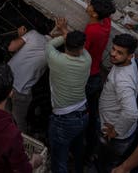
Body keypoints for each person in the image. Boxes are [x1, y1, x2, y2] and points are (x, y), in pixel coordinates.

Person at [66, 0, 116, 160]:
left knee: (79, 114)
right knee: (92, 114)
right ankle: (92, 148)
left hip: (87, 77)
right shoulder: (106, 22)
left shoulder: (92, 30)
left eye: (89, 6)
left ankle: (81, 152)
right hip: (96, 77)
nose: (87, 5)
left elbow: (78, 52)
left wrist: (64, 32)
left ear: (94, 13)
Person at [46, 22, 91, 173]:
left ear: (66, 44)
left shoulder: (55, 59)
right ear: (81, 46)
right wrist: (67, 33)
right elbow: (80, 48)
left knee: (59, 160)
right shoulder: (87, 59)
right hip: (83, 114)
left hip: (63, 119)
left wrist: (64, 32)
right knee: (79, 150)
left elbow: (50, 44)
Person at [97, 33, 138, 172]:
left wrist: (116, 131)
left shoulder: (123, 81)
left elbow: (131, 113)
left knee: (106, 166)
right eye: (113, 49)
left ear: (130, 56)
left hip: (114, 136)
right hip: (116, 127)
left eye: (119, 52)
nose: (113, 54)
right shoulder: (127, 62)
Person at [7, 26, 50, 133]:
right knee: (19, 121)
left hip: (6, 80)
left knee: (2, 113)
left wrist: (21, 36)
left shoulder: (33, 34)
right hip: (22, 91)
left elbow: (11, 48)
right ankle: (21, 143)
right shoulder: (52, 54)